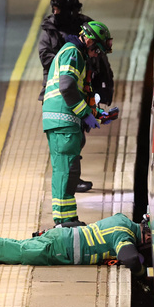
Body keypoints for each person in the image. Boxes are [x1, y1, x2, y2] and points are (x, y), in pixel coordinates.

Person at [37, 0, 116, 193]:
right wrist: (68, 62)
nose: (55, 13)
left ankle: (70, 190)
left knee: (76, 141)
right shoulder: (70, 50)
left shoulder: (86, 31)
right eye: (54, 9)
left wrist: (99, 109)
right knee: (69, 147)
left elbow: (99, 66)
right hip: (63, 102)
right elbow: (65, 84)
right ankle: (71, 185)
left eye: (59, 9)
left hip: (77, 94)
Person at [42, 20, 117, 227]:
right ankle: (63, 221)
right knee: (66, 171)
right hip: (62, 120)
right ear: (90, 41)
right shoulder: (73, 53)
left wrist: (99, 114)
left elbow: (79, 91)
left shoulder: (78, 55)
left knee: (69, 171)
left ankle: (67, 218)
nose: (97, 55)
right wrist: (85, 114)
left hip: (64, 120)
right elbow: (66, 87)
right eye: (97, 51)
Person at [0, 213, 151, 278]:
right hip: (60, 248)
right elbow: (129, 258)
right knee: (15, 252)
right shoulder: (124, 234)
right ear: (147, 234)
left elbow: (83, 224)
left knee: (13, 245)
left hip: (61, 236)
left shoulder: (122, 220)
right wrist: (141, 270)